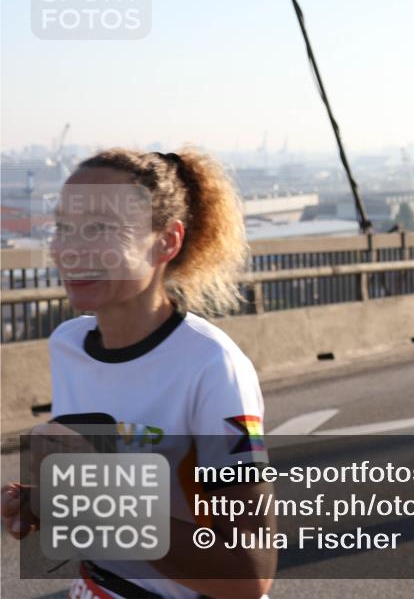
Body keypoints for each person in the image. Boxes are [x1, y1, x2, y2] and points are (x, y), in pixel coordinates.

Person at [2, 148, 276, 599]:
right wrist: (40, 499)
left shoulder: (211, 366)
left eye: (100, 229)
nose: (71, 248)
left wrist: (104, 498)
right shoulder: (68, 345)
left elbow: (248, 571)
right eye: (63, 228)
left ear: (166, 241)